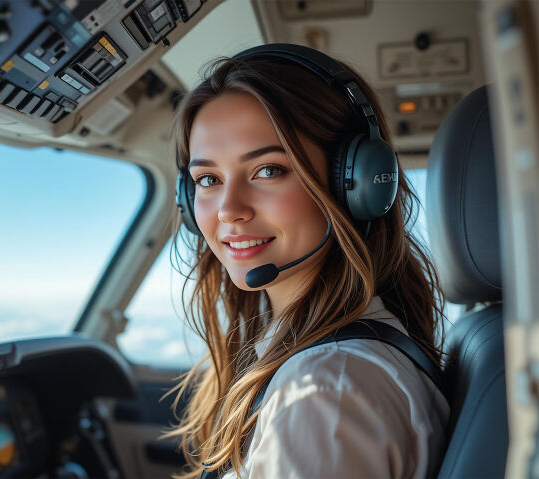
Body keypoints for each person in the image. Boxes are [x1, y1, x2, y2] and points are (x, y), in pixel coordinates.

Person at [162, 44, 450, 479]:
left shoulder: (324, 392)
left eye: (268, 170)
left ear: (353, 183)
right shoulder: (327, 365)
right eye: (208, 179)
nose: (228, 210)